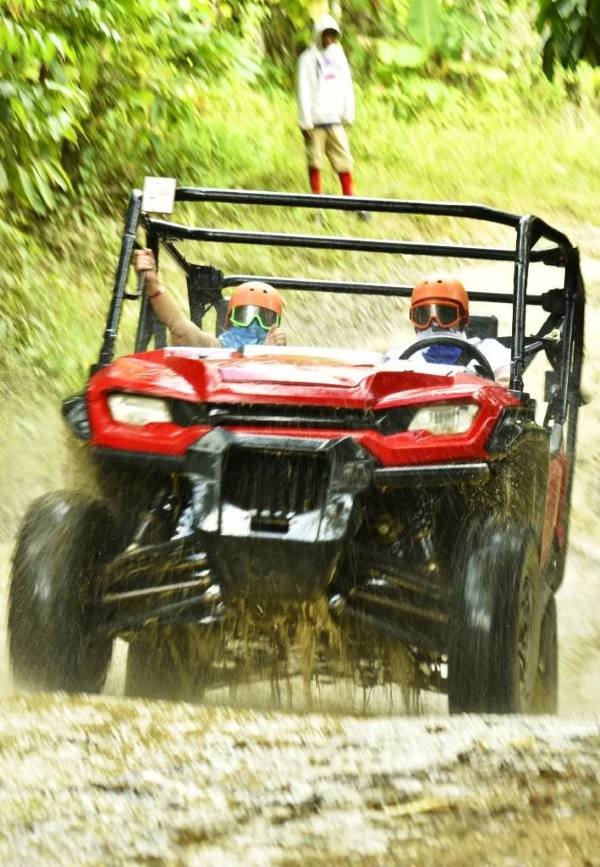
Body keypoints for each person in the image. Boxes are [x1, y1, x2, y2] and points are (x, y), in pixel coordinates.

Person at [133, 249, 286, 350]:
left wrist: (272, 355)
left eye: (264, 318)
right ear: (228, 322)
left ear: (276, 326)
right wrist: (152, 283)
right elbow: (180, 328)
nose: (254, 324)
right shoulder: (214, 349)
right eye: (243, 316)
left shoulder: (284, 363)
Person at [297, 13, 360, 203]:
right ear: (319, 34)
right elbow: (303, 89)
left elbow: (346, 84)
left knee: (344, 159)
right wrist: (305, 120)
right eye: (326, 34)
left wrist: (348, 112)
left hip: (334, 118)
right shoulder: (308, 59)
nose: (330, 39)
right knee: (315, 160)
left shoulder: (338, 56)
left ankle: (350, 199)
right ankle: (317, 201)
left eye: (333, 35)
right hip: (315, 120)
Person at [403, 277, 511, 385]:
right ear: (414, 319)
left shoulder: (489, 349)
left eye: (445, 314)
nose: (434, 323)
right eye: (423, 315)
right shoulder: (399, 357)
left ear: (463, 318)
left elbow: (506, 381)